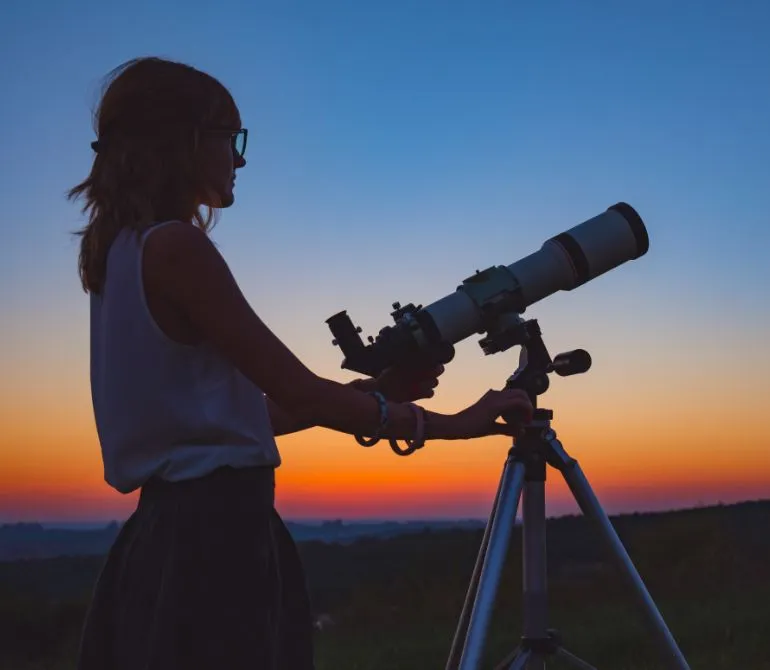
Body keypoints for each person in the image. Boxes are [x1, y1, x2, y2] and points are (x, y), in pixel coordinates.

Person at [68, 56, 534, 670]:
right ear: (183, 141)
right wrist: (455, 423)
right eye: (230, 138)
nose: (240, 158)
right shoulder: (177, 248)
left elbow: (240, 416)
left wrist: (374, 388)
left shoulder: (117, 256)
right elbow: (304, 395)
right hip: (219, 535)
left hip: (166, 534)